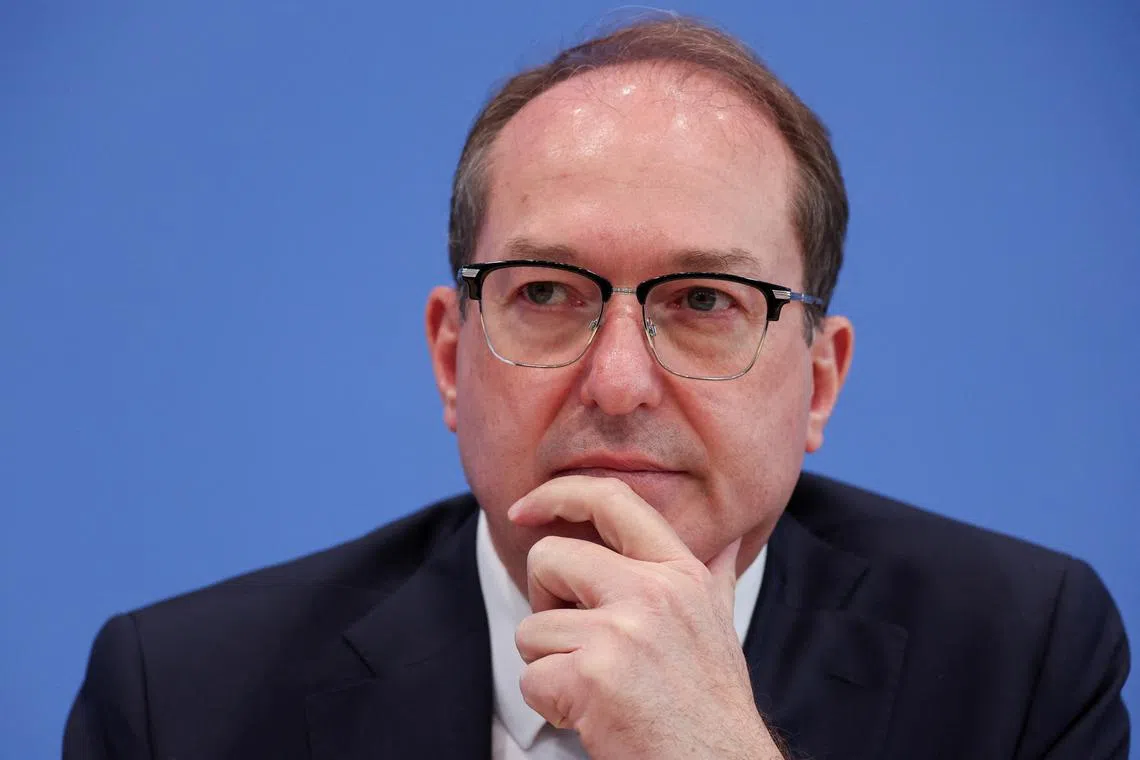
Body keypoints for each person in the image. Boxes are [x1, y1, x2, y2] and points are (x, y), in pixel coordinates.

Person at [64, 15, 1130, 760]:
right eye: (546, 292)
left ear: (818, 380)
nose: (618, 384)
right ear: (451, 356)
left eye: (706, 301)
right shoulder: (181, 699)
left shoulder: (1018, 654)